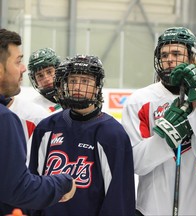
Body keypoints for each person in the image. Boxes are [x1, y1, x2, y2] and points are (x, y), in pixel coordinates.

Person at [122, 26, 196, 215]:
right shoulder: (140, 100)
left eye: (176, 53)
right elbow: (136, 163)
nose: (169, 60)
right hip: (151, 210)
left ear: (192, 57)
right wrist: (166, 138)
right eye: (164, 55)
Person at [28, 54, 135, 216]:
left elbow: (118, 198)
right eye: (72, 81)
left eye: (85, 81)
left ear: (97, 86)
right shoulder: (46, 128)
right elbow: (34, 185)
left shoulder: (113, 134)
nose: (77, 87)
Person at [0, 28, 76, 214]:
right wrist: (63, 183)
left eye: (50, 71)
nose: (46, 79)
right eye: (18, 61)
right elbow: (17, 186)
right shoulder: (12, 116)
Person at [28, 47, 62, 113]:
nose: (46, 79)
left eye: (49, 72)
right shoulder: (33, 109)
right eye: (40, 75)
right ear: (34, 80)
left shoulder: (75, 99)